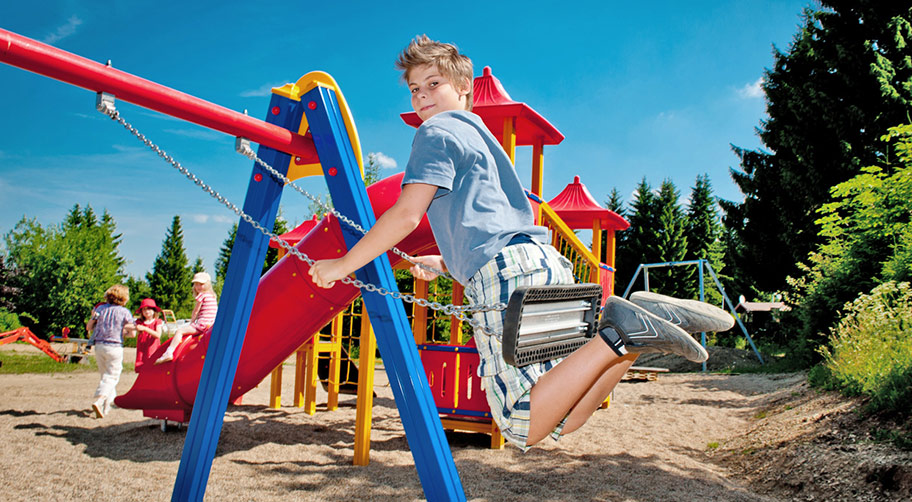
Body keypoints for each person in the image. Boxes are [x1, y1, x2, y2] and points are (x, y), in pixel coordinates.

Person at [309, 35, 733, 450]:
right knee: (559, 417)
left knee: (518, 424)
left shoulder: (435, 133)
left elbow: (405, 214)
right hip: (543, 265)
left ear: (463, 89)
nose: (422, 97)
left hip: (508, 276)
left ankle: (619, 330)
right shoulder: (483, 138)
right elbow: (488, 226)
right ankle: (633, 335)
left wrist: (341, 265)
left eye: (433, 84)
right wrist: (441, 262)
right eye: (415, 90)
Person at [86, 284, 135, 419]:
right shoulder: (124, 312)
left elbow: (89, 326)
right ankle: (100, 400)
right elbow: (131, 333)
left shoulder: (100, 309)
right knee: (112, 376)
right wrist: (125, 331)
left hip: (99, 345)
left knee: (105, 376)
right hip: (114, 346)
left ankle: (106, 407)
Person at [155, 272, 217, 364]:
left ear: (207, 285)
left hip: (202, 325)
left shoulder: (202, 295)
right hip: (210, 325)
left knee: (179, 331)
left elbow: (196, 311)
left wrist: (192, 322)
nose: (198, 287)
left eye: (201, 284)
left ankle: (169, 352)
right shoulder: (213, 296)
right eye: (196, 284)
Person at [133, 298, 163, 372]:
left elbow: (158, 335)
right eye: (144, 309)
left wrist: (145, 329)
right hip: (142, 351)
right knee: (142, 369)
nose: (146, 311)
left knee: (153, 369)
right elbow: (133, 331)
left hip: (153, 350)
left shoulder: (157, 322)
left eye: (149, 309)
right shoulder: (139, 322)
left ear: (153, 311)